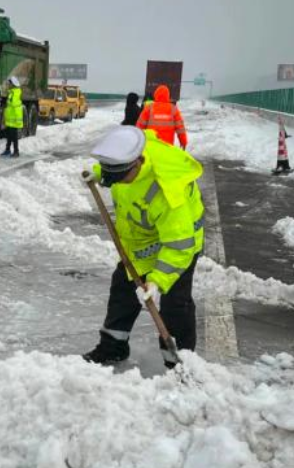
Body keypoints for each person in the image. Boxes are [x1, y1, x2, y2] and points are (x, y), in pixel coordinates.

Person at [81, 126, 204, 367]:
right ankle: (113, 347)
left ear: (138, 163)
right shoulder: (123, 165)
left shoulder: (166, 190)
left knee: (174, 305)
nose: (115, 182)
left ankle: (179, 362)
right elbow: (112, 170)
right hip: (140, 244)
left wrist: (157, 280)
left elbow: (180, 244)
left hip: (178, 244)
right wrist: (97, 174)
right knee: (122, 291)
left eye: (118, 177)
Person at [136, 84, 188, 149]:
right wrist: (183, 142)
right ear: (168, 96)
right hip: (167, 145)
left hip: (151, 145)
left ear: (156, 95)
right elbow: (180, 128)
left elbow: (139, 127)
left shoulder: (149, 108)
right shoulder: (173, 109)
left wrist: (136, 142)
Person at [1, 76, 23, 157]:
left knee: (14, 137)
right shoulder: (12, 93)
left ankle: (16, 152)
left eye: (10, 83)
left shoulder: (15, 93)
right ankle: (7, 150)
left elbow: (16, 107)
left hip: (14, 121)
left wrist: (18, 120)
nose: (8, 84)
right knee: (9, 136)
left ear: (13, 84)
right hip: (10, 120)